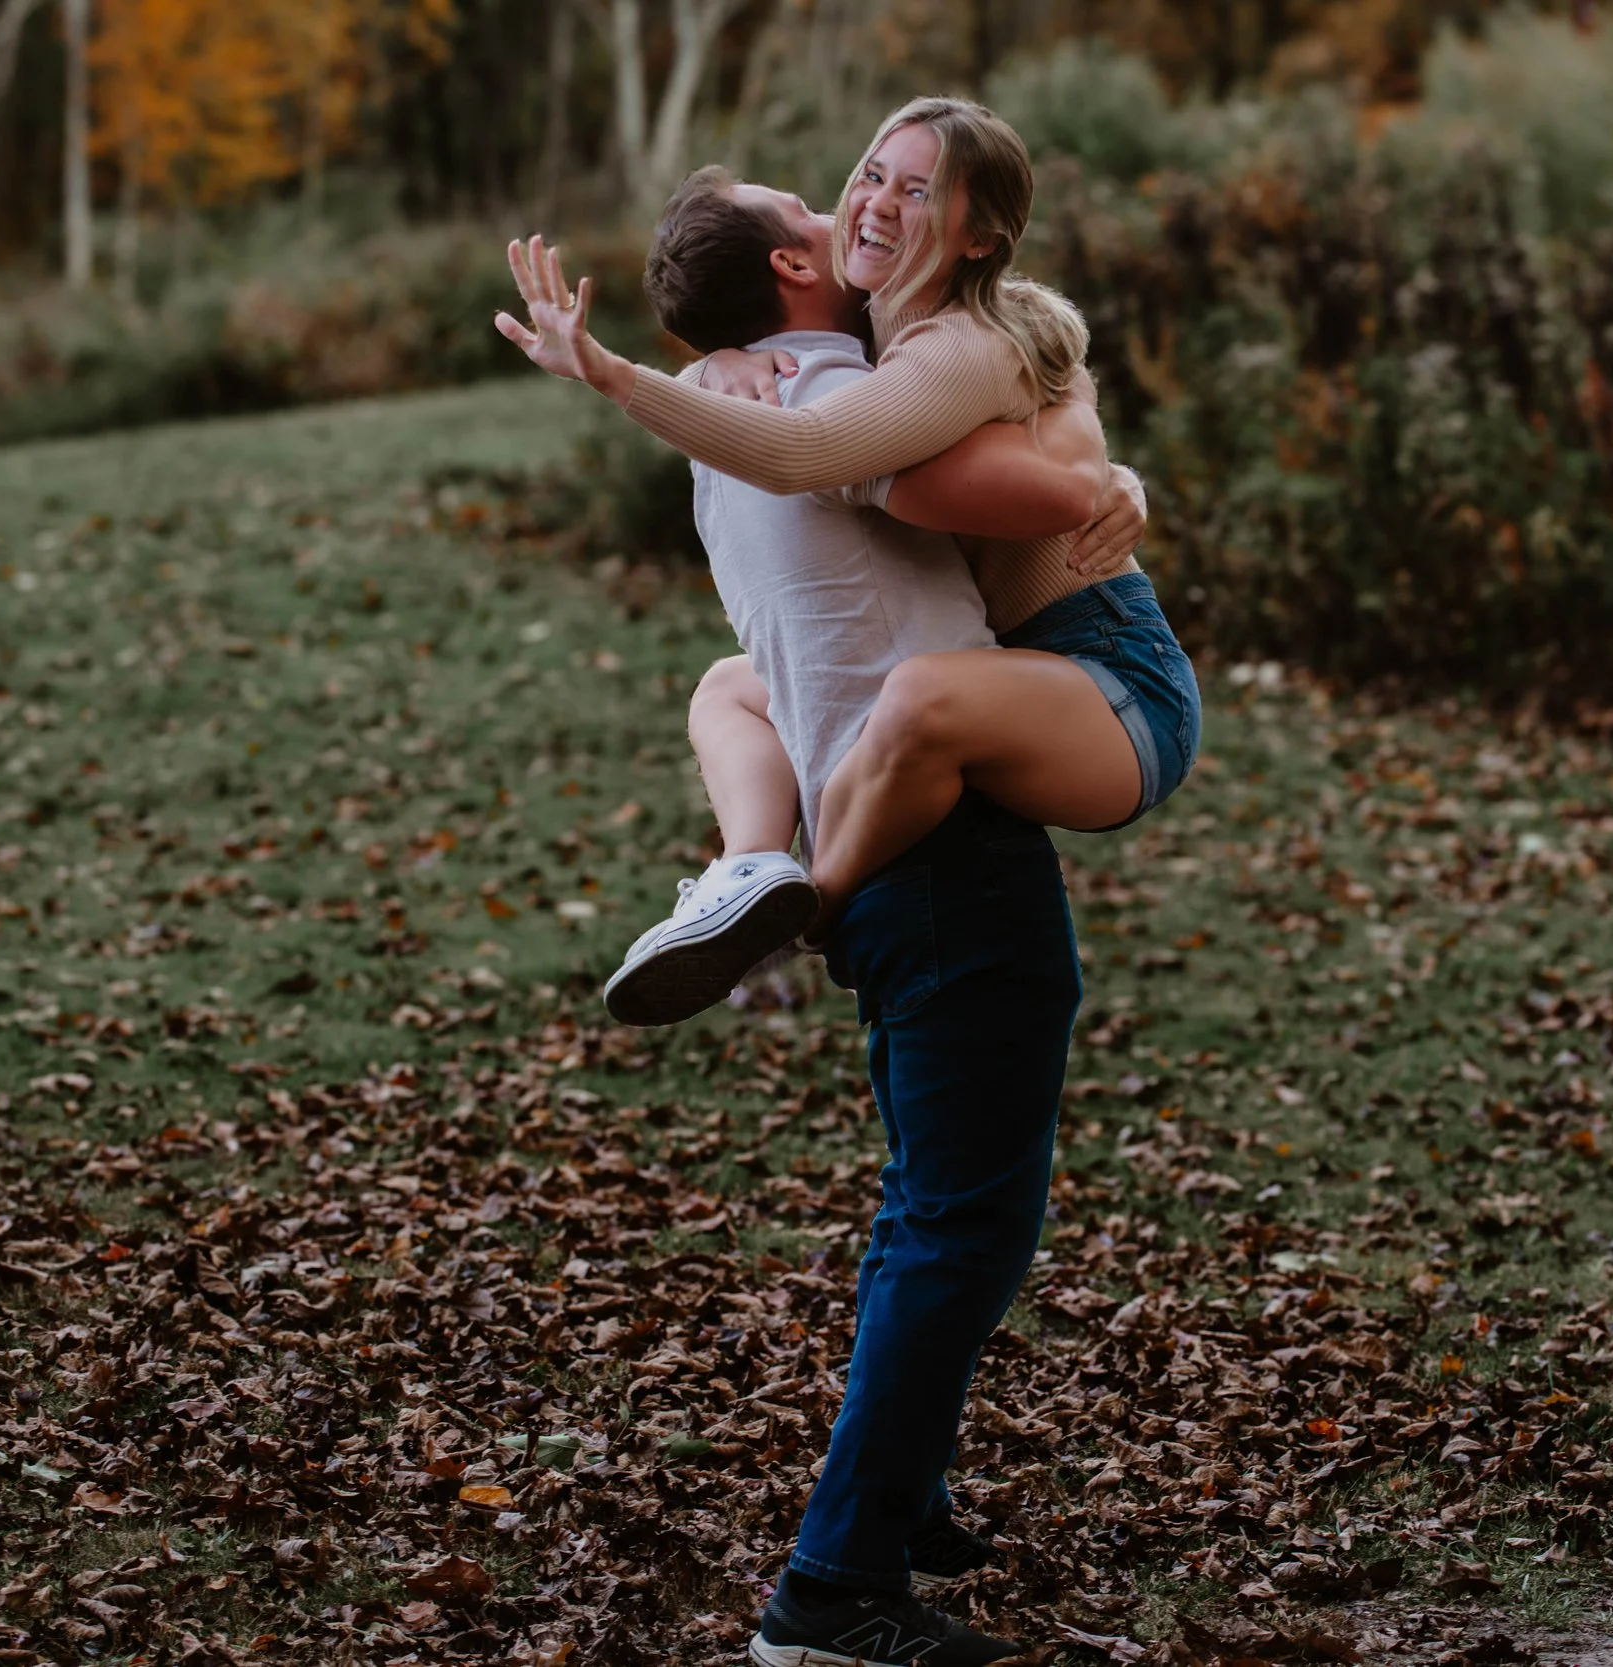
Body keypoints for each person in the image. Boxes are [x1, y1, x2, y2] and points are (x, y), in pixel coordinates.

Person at [499, 164, 1114, 1666]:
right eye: (824, 211)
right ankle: (832, 1597)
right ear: (794, 266)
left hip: (868, 826)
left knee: (927, 1203)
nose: (862, 221)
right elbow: (1036, 458)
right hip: (948, 845)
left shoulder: (740, 413)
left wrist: (653, 371)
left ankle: (901, 1498)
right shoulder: (840, 396)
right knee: (967, 1222)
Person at [497, 95, 1201, 1028]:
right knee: (728, 689)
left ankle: (809, 906)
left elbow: (814, 452)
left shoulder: (956, 344)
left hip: (1110, 677)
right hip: (1025, 660)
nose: (871, 202)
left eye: (920, 190)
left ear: (979, 236)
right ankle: (745, 872)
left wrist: (622, 376)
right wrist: (723, 361)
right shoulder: (870, 332)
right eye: (872, 174)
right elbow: (810, 367)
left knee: (918, 695)